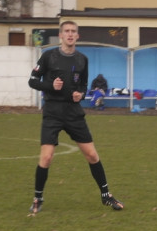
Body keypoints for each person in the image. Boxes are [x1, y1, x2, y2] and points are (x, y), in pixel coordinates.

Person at [27, 21, 124, 214]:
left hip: (73, 113)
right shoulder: (48, 56)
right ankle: (38, 198)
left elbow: (84, 86)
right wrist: (50, 86)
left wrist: (81, 94)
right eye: (67, 31)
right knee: (46, 157)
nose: (70, 34)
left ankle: (106, 195)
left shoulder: (82, 60)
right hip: (53, 112)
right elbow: (32, 81)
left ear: (77, 36)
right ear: (61, 35)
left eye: (73, 31)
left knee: (92, 155)